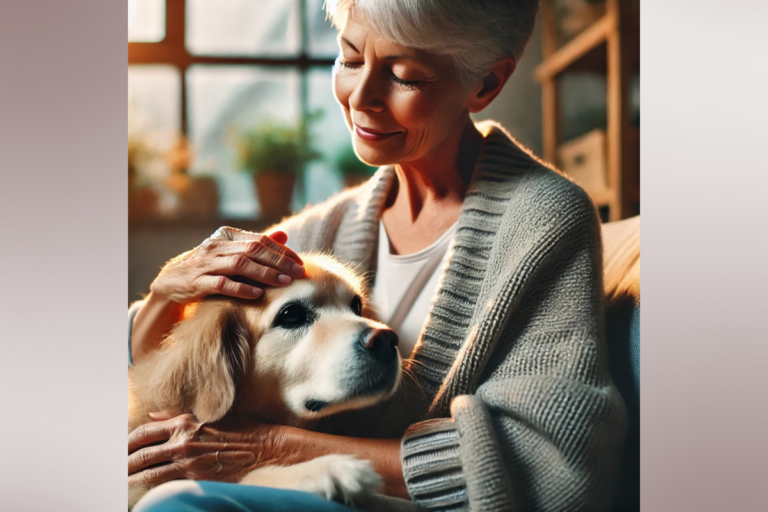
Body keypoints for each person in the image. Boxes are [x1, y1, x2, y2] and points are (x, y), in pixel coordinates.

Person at [128, 0, 627, 510]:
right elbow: (155, 372)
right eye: (348, 59)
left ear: (487, 85)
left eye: (405, 76)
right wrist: (166, 295)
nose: (361, 97)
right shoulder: (328, 227)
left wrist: (276, 448)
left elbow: (554, 462)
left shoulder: (544, 220)